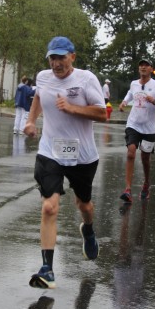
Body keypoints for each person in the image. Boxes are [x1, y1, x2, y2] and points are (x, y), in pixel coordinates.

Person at [23, 36, 107, 288]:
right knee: (49, 207)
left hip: (82, 155)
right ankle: (47, 269)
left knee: (84, 204)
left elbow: (102, 112)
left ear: (72, 56)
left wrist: (72, 108)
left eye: (61, 57)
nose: (56, 63)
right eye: (52, 57)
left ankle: (88, 230)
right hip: (50, 150)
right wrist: (31, 121)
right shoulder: (43, 77)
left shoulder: (86, 79)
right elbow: (39, 97)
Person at [118, 58, 155, 203]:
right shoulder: (134, 83)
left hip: (149, 128)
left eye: (146, 65)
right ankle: (127, 190)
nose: (143, 67)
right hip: (133, 124)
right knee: (131, 152)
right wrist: (124, 102)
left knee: (145, 158)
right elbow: (130, 93)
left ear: (151, 69)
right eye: (141, 65)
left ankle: (146, 183)